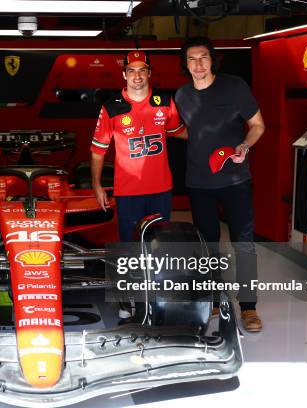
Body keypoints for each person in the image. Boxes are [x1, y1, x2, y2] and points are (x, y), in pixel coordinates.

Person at [174, 36, 265, 332]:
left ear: (212, 60)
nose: (198, 64)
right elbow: (189, 131)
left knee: (244, 244)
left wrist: (244, 146)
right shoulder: (182, 95)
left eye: (203, 57)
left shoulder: (234, 86)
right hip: (199, 181)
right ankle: (213, 298)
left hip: (235, 179)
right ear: (185, 64)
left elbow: (257, 125)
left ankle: (248, 307)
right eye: (192, 59)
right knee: (207, 246)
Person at [90, 50, 186, 243]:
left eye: (142, 70)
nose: (137, 75)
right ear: (124, 74)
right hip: (128, 191)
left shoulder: (165, 101)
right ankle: (133, 275)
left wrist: (212, 136)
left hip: (161, 189)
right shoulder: (112, 107)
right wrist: (96, 184)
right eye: (131, 70)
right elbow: (98, 151)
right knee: (130, 244)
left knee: (160, 243)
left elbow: (178, 131)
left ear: (149, 73)